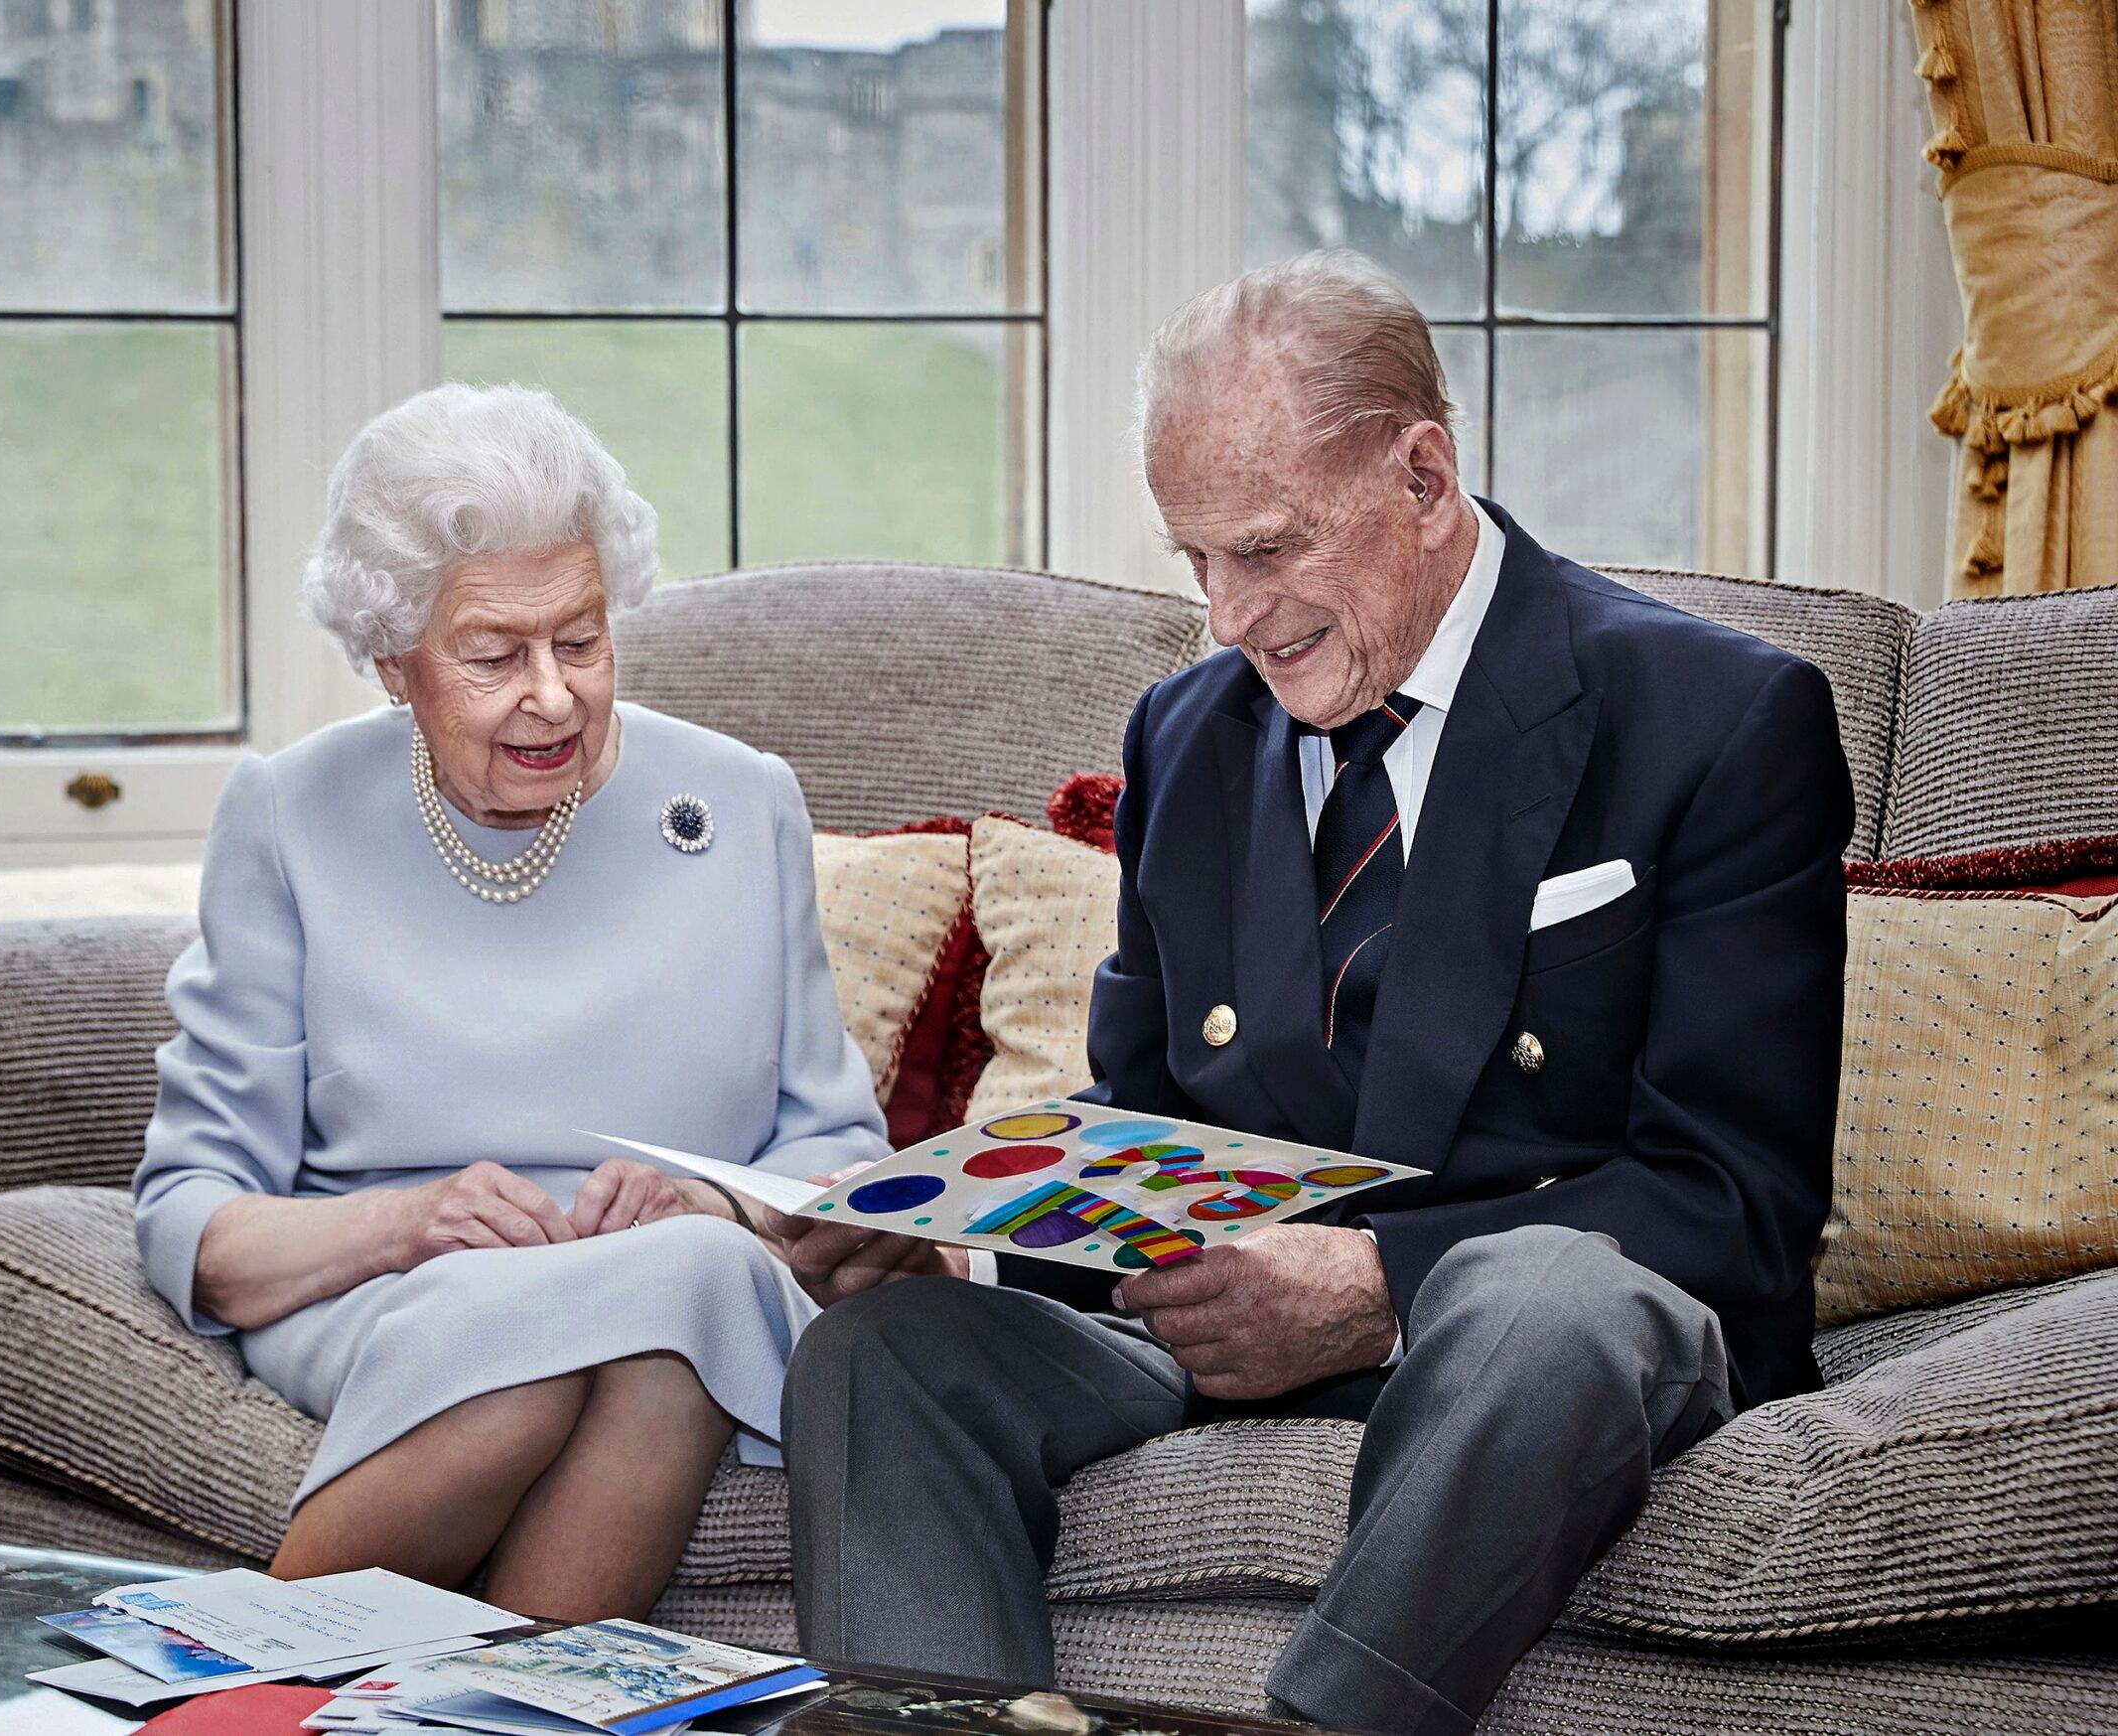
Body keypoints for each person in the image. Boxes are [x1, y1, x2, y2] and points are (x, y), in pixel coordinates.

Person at [775, 250, 1850, 1736]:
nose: (1227, 615)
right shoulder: (1188, 736)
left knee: (1544, 1300)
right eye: (1195, 559)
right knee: (882, 1355)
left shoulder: (1718, 718)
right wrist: (960, 1248)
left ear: (1422, 474)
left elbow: (1735, 1203)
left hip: (1528, 1353)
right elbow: (1146, 1122)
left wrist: (1377, 1290)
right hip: (1221, 1339)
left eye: (1268, 549)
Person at [133, 382, 889, 1619]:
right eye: (493, 654)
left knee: (673, 1301)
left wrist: (705, 1196)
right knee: (572, 1348)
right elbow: (195, 1215)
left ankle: (226, 1682)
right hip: (383, 1284)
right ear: (393, 663)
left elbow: (837, 1151)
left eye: (580, 639)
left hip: (679, 1271)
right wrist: (408, 1223)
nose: (553, 693)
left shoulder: (740, 801)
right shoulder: (290, 814)